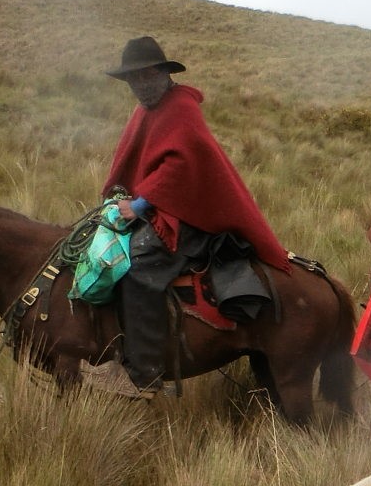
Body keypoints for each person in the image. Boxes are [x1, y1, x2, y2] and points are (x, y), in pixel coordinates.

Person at [102, 37, 290, 387]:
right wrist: (119, 200)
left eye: (145, 76)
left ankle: (144, 373)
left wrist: (140, 204)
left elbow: (181, 168)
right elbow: (135, 163)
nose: (139, 86)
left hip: (192, 217)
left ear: (162, 72)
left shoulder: (181, 107)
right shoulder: (145, 110)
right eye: (132, 80)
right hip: (162, 209)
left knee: (137, 266)